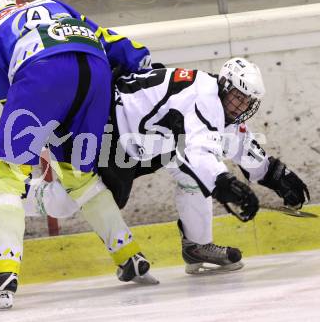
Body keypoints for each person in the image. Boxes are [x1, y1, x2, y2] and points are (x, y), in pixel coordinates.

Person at [0, 0, 156, 311]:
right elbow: (107, 39)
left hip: (43, 72)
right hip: (94, 71)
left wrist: (24, 149)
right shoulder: (53, 3)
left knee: (9, 174)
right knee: (78, 175)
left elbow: (19, 104)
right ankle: (128, 255)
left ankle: (2, 274)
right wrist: (138, 60)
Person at [98, 57, 310, 274]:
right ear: (225, 85)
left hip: (148, 139)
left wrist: (276, 176)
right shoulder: (204, 97)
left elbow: (239, 146)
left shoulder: (220, 104)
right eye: (239, 97)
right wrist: (225, 182)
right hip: (111, 125)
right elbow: (199, 153)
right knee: (72, 201)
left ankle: (197, 246)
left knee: (195, 177)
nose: (242, 106)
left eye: (248, 101)